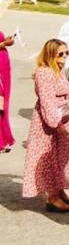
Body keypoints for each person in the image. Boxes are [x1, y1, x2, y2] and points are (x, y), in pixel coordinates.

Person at [22, 40, 69, 212]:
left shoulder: (57, 71)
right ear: (50, 54)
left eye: (66, 53)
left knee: (64, 153)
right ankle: (52, 196)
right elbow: (47, 101)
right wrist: (56, 125)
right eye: (60, 54)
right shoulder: (44, 73)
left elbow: (60, 91)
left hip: (63, 116)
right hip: (49, 122)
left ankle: (60, 190)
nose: (64, 57)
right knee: (50, 157)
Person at [0, 19, 12, 154]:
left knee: (2, 106)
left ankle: (2, 139)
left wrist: (7, 40)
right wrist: (3, 44)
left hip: (3, 71)